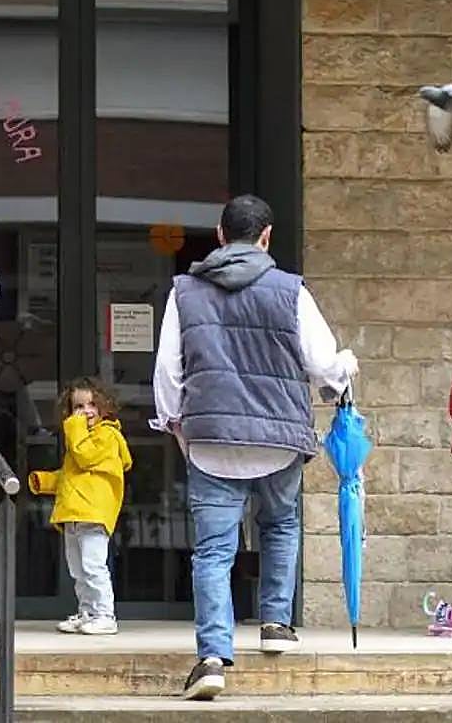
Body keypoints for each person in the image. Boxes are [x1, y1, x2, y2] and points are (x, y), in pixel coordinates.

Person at [152, 194, 358, 701]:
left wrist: (177, 425)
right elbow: (323, 362)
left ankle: (212, 658)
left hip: (212, 440)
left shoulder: (185, 292)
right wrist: (347, 366)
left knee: (213, 551)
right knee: (281, 525)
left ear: (219, 236)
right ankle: (275, 623)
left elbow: (167, 371)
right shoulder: (291, 291)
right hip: (279, 438)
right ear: (266, 237)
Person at [28, 377, 131, 636]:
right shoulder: (81, 439)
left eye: (92, 404)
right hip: (74, 512)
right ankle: (87, 612)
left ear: (105, 407)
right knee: (78, 569)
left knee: (94, 566)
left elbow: (86, 459)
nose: (86, 411)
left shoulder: (107, 435)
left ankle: (105, 614)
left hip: (94, 512)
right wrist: (46, 481)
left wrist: (74, 428)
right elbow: (71, 476)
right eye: (78, 407)